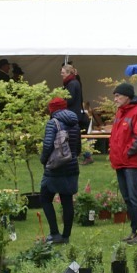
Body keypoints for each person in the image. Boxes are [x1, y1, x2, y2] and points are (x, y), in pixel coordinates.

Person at [109, 82, 137, 244]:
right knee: (127, 197)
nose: (115, 99)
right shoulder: (120, 112)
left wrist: (127, 153)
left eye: (117, 96)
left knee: (134, 197)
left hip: (132, 162)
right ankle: (134, 231)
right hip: (121, 162)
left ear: (127, 96)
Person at [39, 97, 81, 244]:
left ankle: (55, 233)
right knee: (67, 200)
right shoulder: (75, 123)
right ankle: (66, 236)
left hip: (55, 167)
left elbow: (48, 145)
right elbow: (78, 147)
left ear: (52, 109)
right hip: (71, 166)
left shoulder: (53, 123)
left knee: (45, 198)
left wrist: (43, 160)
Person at [61, 62, 93, 163]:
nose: (61, 74)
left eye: (63, 72)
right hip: (76, 113)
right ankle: (83, 155)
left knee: (75, 136)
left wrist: (61, 101)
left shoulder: (71, 84)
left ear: (68, 73)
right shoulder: (74, 82)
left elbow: (70, 100)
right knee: (77, 136)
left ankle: (85, 155)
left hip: (73, 114)